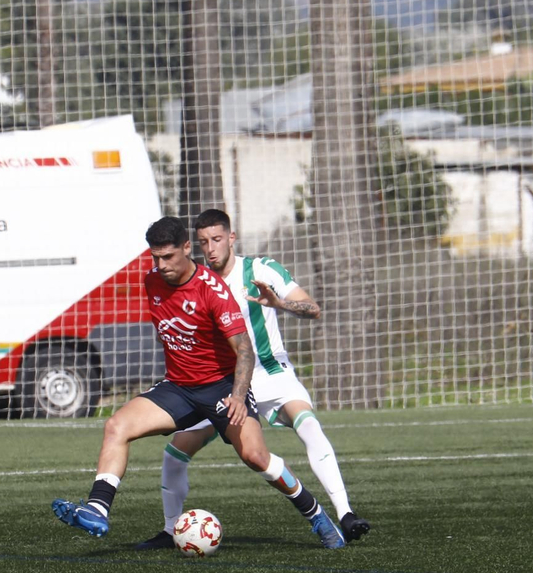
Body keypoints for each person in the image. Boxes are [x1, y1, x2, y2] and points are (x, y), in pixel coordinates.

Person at [52, 216, 347, 549]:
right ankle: (98, 510)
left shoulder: (213, 291)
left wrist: (238, 396)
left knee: (255, 456)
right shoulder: (152, 280)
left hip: (222, 389)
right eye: (155, 257)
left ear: (187, 248)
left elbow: (245, 350)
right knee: (117, 426)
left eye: (169, 257)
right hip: (179, 388)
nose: (161, 265)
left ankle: (316, 514)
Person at [137, 209, 368, 550]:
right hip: (225, 384)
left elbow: (313, 308)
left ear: (232, 238)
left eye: (217, 239)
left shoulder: (260, 269)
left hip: (272, 373)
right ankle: (171, 529)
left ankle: (345, 514)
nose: (210, 248)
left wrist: (280, 302)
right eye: (203, 243)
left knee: (308, 424)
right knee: (175, 453)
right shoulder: (198, 281)